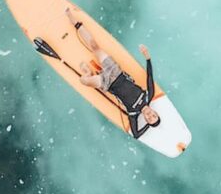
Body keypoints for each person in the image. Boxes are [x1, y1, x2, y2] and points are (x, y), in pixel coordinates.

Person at [65, 8, 160, 139]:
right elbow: (150, 76)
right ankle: (75, 22)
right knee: (94, 46)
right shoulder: (149, 95)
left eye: (149, 119)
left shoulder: (133, 113)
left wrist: (150, 125)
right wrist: (147, 57)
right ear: (155, 112)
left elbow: (136, 134)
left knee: (84, 81)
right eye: (154, 115)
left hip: (106, 83)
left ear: (146, 119)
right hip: (115, 70)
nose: (150, 115)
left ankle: (88, 73)